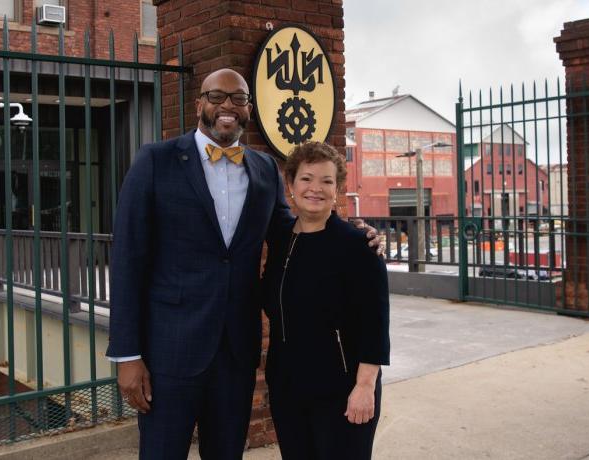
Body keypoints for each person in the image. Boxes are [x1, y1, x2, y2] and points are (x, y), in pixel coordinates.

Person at [106, 68, 382, 460]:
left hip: (235, 354)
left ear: (249, 108)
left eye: (238, 99)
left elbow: (294, 232)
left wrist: (355, 235)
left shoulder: (265, 169)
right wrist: (127, 355)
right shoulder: (156, 161)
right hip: (170, 352)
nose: (227, 106)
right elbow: (128, 261)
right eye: (217, 96)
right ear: (199, 103)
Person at [262, 141, 391, 460]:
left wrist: (364, 387)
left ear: (338, 189)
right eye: (306, 179)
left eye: (326, 181)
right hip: (288, 386)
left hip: (342, 387)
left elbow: (376, 324)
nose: (315, 188)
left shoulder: (358, 245)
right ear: (290, 185)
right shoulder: (280, 238)